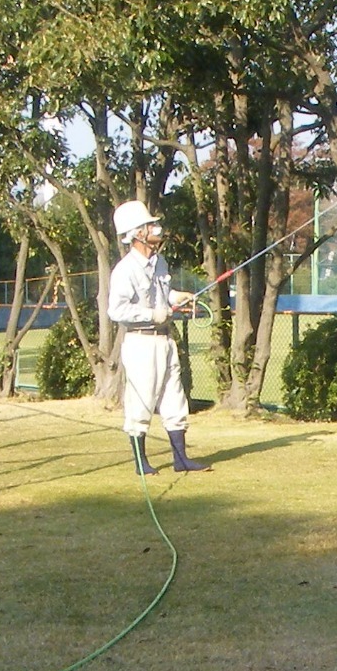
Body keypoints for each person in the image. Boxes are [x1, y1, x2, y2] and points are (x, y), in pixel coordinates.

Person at [107, 200, 210, 475]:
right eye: (150, 225)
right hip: (141, 342)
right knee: (141, 400)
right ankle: (141, 464)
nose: (156, 228)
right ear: (137, 233)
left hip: (165, 340)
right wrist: (153, 315)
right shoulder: (125, 270)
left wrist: (178, 296)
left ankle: (181, 460)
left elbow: (163, 295)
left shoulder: (159, 262)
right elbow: (116, 310)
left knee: (174, 397)